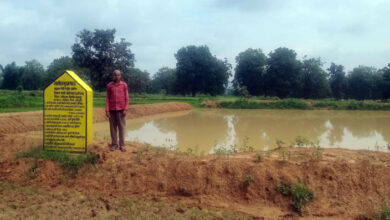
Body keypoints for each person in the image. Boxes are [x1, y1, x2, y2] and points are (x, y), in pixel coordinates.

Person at [105, 70, 129, 152]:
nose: (117, 76)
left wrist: (125, 109)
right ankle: (114, 144)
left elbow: (127, 98)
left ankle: (122, 145)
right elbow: (107, 98)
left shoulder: (124, 85)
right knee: (113, 128)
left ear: (120, 76)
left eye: (118, 75)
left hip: (121, 110)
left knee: (122, 128)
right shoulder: (109, 86)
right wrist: (107, 110)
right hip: (112, 110)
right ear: (113, 76)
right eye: (115, 75)